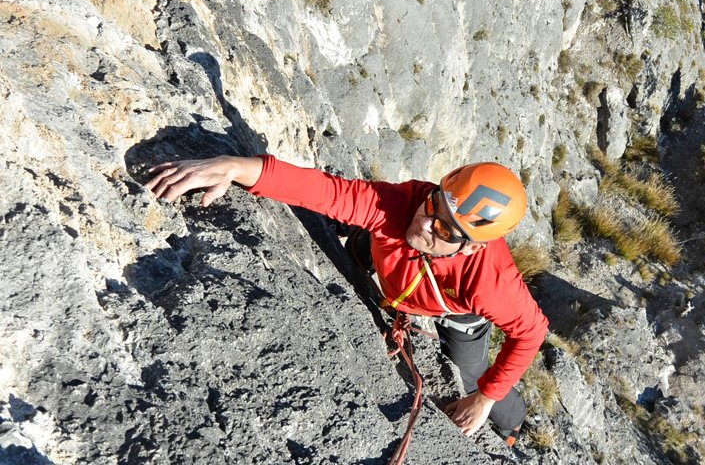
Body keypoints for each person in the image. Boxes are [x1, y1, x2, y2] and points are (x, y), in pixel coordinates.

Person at [144, 154, 546, 443]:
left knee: (471, 371)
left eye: (443, 229)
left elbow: (530, 333)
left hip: (454, 312)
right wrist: (235, 167)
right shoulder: (405, 204)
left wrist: (485, 399)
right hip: (391, 269)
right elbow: (327, 191)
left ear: (471, 248)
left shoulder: (490, 282)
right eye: (433, 203)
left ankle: (512, 422)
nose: (424, 223)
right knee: (366, 235)